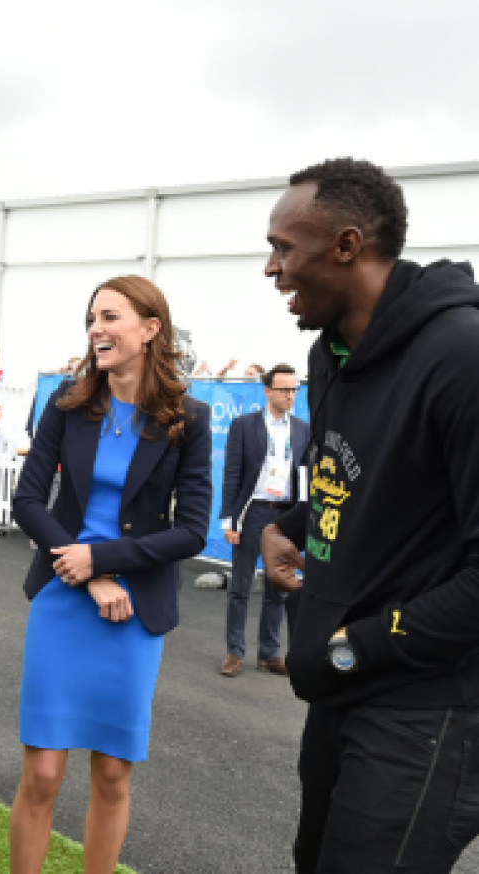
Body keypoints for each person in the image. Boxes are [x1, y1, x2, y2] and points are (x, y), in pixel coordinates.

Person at [259, 157, 479, 872]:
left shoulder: (460, 355)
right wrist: (282, 529)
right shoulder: (332, 357)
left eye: (284, 247)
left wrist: (354, 644)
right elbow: (355, 487)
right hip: (339, 691)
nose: (272, 268)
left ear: (347, 245)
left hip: (425, 710)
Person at [9, 274, 212, 873]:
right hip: (61, 597)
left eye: (111, 316)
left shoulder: (187, 419)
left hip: (134, 609)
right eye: (92, 317)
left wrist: (104, 561)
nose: (97, 328)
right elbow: (27, 502)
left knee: (113, 773)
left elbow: (192, 531)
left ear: (151, 329)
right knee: (43, 771)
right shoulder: (67, 405)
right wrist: (83, 570)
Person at [219, 364, 309, 678]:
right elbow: (232, 474)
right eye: (284, 389)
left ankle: (269, 654)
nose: (290, 395)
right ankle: (234, 652)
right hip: (252, 512)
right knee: (240, 587)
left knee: (278, 589)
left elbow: (306, 477)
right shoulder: (244, 426)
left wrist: (304, 518)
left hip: (285, 516)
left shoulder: (302, 430)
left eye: (294, 389)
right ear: (267, 390)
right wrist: (228, 521)